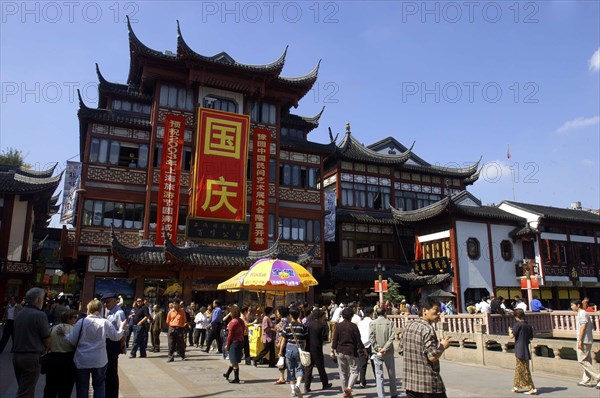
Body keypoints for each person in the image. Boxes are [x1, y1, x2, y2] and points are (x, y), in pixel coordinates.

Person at [65, 298, 127, 398]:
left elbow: (70, 339)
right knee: (99, 385)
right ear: (100, 309)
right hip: (99, 360)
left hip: (82, 359)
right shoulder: (105, 322)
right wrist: (122, 327)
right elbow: (116, 336)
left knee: (82, 387)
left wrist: (65, 332)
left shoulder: (81, 322)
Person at [399, 296, 452, 398]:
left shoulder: (409, 325)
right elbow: (432, 356)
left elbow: (401, 350)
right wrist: (442, 346)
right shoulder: (427, 329)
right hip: (428, 384)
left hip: (410, 382)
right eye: (436, 311)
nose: (439, 314)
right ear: (424, 311)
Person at [12, 287, 51, 398]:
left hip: (17, 355)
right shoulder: (39, 315)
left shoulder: (20, 313)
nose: (44, 301)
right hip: (31, 356)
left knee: (25, 388)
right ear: (38, 299)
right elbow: (46, 339)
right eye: (43, 298)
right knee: (25, 392)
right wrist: (47, 348)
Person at [43, 309, 79, 398]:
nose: (76, 319)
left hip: (53, 359)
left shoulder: (53, 328)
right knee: (66, 389)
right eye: (75, 317)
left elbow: (47, 343)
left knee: (50, 388)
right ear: (68, 319)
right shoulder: (73, 329)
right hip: (68, 360)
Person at [331, 307, 366, 398]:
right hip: (351, 351)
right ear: (351, 316)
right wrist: (363, 350)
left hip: (340, 351)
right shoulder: (353, 326)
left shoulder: (338, 326)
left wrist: (332, 350)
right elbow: (358, 340)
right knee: (354, 370)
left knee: (343, 372)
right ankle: (349, 388)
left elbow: (335, 339)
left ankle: (344, 391)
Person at [369, 307, 399, 398]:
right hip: (388, 351)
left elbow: (371, 337)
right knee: (391, 374)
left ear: (376, 313)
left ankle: (381, 395)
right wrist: (385, 348)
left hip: (377, 352)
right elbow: (392, 337)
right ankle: (393, 393)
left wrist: (378, 348)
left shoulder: (372, 323)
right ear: (385, 313)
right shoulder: (390, 323)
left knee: (379, 375)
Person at [571, 299, 600, 389]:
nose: (571, 307)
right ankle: (586, 380)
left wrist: (580, 340)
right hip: (586, 340)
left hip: (584, 340)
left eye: (572, 305)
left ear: (578, 305)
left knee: (582, 360)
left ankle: (598, 376)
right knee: (587, 360)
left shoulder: (582, 313)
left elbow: (583, 327)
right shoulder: (582, 313)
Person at [102, 293, 127, 398]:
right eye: (104, 302)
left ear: (114, 301)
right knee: (108, 372)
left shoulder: (119, 313)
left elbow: (122, 330)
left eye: (107, 302)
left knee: (112, 372)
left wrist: (121, 345)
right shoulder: (110, 312)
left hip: (113, 344)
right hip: (108, 343)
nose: (105, 304)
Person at [280, 307, 307, 398]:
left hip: (289, 348)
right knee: (299, 368)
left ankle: (292, 391)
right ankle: (298, 386)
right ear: (298, 315)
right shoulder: (302, 326)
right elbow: (304, 340)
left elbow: (283, 340)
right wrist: (304, 350)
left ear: (290, 315)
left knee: (290, 369)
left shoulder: (287, 326)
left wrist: (280, 351)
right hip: (299, 348)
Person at [508, 308, 536, 395]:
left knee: (523, 368)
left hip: (519, 348)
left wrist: (509, 331)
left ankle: (532, 387)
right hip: (525, 347)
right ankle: (516, 386)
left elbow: (511, 336)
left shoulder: (517, 325)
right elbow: (531, 337)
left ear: (516, 316)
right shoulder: (528, 325)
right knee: (520, 368)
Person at [304, 308, 332, 393]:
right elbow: (324, 338)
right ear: (320, 316)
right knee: (320, 367)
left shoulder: (308, 324)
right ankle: (325, 384)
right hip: (317, 348)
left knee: (308, 368)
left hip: (308, 348)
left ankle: (306, 386)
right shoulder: (321, 325)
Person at [223, 306, 245, 383]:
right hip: (241, 341)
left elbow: (230, 335)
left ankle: (236, 378)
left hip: (234, 343)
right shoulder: (241, 321)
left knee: (234, 361)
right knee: (233, 360)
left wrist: (227, 345)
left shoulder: (233, 322)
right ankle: (227, 374)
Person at [357, 306, 374, 388]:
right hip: (371, 344)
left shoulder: (360, 323)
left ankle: (362, 381)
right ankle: (378, 380)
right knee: (374, 363)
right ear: (371, 313)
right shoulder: (373, 322)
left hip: (362, 344)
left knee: (362, 364)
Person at [274, 305, 290, 385]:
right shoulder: (286, 321)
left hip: (283, 344)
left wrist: (279, 343)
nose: (276, 313)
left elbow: (282, 335)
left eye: (277, 312)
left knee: (281, 360)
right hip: (285, 344)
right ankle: (287, 376)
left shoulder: (283, 322)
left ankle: (282, 377)